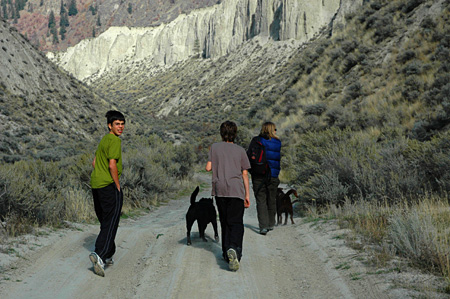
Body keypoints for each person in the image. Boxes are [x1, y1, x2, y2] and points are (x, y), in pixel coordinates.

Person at [205, 121, 251, 272]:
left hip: (220, 190)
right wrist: (247, 194)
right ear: (235, 133)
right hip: (236, 190)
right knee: (236, 222)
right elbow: (245, 174)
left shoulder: (215, 147)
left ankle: (226, 253)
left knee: (224, 221)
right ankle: (234, 249)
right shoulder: (240, 150)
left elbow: (208, 167)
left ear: (221, 132)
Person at [89, 110, 126, 277]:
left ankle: (109, 253)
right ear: (110, 125)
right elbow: (112, 165)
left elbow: (95, 162)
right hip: (108, 186)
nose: (121, 127)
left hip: (96, 185)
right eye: (117, 124)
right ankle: (100, 254)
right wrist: (117, 186)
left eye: (122, 124)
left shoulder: (104, 139)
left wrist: (100, 174)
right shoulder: (114, 141)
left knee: (105, 221)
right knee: (112, 221)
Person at [248, 121, 281, 235]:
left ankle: (263, 226)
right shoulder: (277, 142)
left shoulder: (256, 140)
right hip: (273, 174)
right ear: (272, 130)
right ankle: (271, 223)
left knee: (260, 200)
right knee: (271, 199)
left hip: (258, 174)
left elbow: (249, 157)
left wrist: (251, 171)